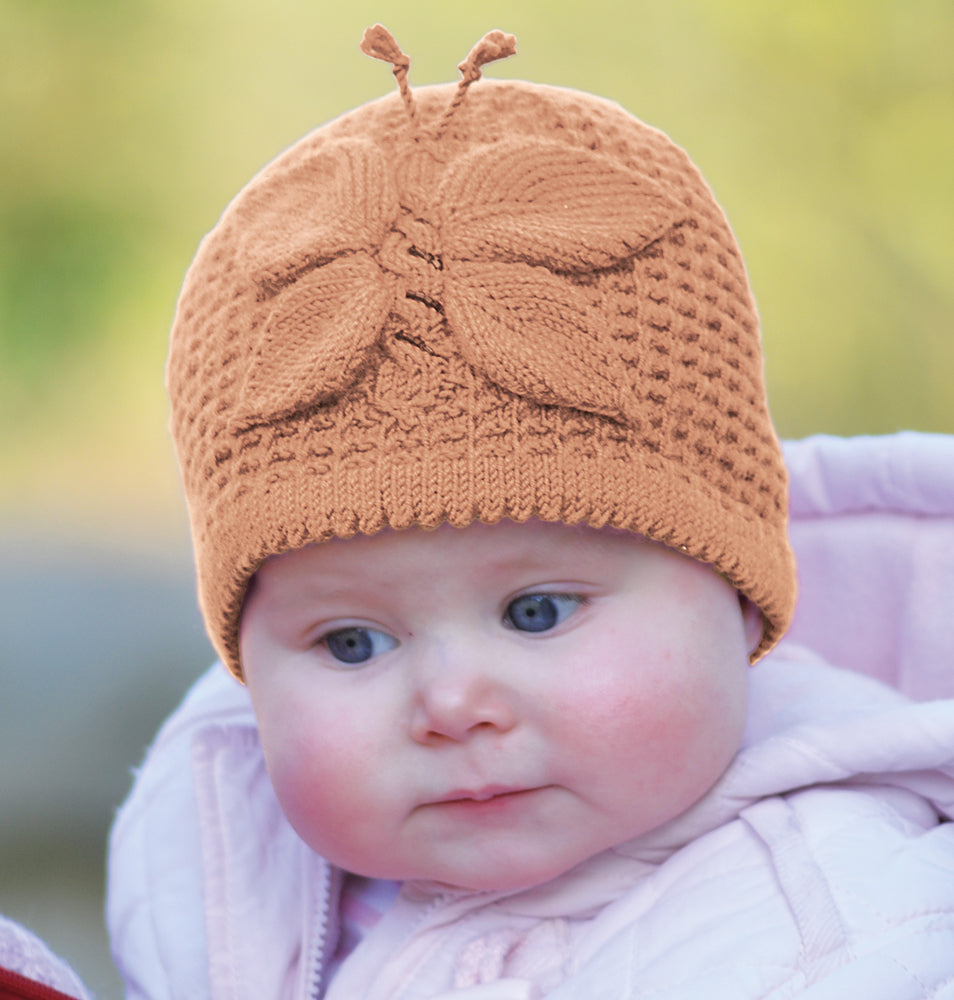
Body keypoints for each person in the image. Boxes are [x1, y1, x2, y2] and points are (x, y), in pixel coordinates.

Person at [107, 24, 954, 1000]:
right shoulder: (214, 848)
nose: (453, 703)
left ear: (739, 587)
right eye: (350, 642)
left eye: (536, 610)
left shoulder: (850, 936)